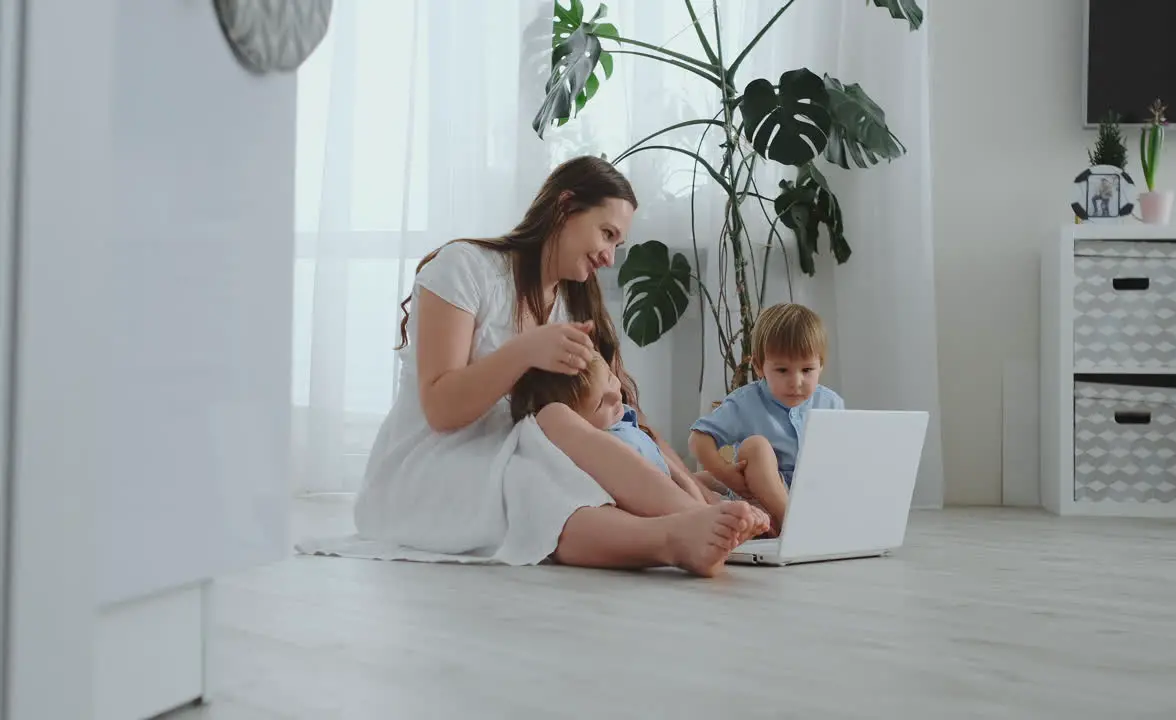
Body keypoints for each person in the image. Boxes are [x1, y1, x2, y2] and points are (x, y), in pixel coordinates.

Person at [353, 156, 768, 577]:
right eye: (607, 235)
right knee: (534, 481)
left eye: (617, 245)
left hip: (524, 446)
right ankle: (673, 539)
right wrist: (523, 351)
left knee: (564, 462)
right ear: (565, 207)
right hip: (434, 461)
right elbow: (440, 409)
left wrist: (697, 490)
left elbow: (628, 413)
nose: (609, 258)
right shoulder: (464, 267)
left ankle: (690, 519)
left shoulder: (573, 301)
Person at [688, 303, 845, 532]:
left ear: (820, 365)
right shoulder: (745, 402)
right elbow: (698, 439)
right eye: (782, 370)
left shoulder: (831, 403)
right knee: (756, 447)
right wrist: (725, 473)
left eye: (807, 370)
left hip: (814, 497)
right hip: (759, 497)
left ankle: (789, 522)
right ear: (760, 367)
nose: (796, 381)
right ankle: (792, 525)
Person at [509, 350, 730, 506]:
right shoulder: (605, 450)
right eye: (599, 404)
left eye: (609, 378)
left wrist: (698, 496)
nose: (616, 396)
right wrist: (700, 506)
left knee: (711, 482)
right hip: (667, 506)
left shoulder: (623, 420)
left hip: (681, 494)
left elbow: (669, 466)